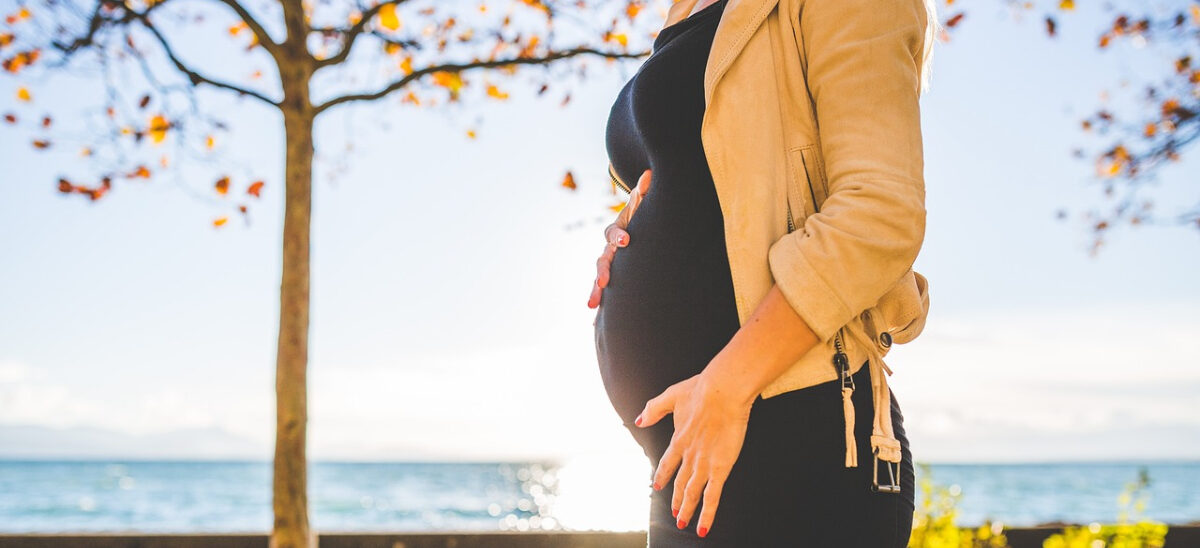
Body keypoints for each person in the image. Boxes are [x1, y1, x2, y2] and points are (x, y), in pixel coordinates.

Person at [588, 0, 939, 545]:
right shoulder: (686, 11)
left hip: (793, 436)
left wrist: (728, 385)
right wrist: (626, 231)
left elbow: (880, 212)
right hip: (690, 453)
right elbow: (708, 182)